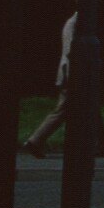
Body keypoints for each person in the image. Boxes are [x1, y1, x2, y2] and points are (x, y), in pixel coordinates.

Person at [21, 13, 72, 158]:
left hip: (72, 72)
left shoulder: (77, 22)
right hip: (72, 74)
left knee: (89, 107)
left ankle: (100, 144)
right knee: (63, 109)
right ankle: (35, 140)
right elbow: (70, 51)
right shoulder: (77, 23)